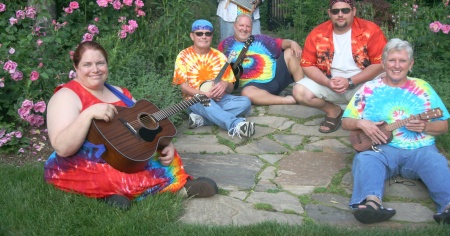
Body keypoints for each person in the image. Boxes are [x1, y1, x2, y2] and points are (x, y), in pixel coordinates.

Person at [44, 41, 218, 209]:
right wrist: (88, 114)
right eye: (87, 64)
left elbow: (145, 124)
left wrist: (165, 144)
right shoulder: (67, 95)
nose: (95, 69)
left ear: (107, 65)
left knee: (165, 158)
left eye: (100, 63)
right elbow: (62, 148)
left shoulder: (120, 92)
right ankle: (141, 192)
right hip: (86, 163)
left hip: (129, 155)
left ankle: (176, 187)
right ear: (76, 68)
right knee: (110, 174)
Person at [342, 38, 450, 224]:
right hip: (381, 150)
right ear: (383, 63)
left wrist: (426, 126)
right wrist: (362, 124)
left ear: (411, 64)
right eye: (392, 60)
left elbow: (444, 125)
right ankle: (372, 204)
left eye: (402, 61)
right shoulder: (369, 89)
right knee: (365, 159)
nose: (397, 66)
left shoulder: (423, 87)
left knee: (436, 162)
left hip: (420, 149)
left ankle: (448, 207)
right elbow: (345, 122)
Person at [293, 0, 388, 133]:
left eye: (345, 10)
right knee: (299, 91)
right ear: (329, 13)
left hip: (360, 83)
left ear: (353, 11)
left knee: (385, 81)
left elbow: (380, 63)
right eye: (335, 11)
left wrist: (350, 81)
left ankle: (359, 117)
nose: (340, 14)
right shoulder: (317, 33)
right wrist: (327, 82)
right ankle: (333, 111)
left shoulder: (370, 30)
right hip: (330, 83)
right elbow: (307, 65)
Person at [173, 19, 255, 138]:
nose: (204, 37)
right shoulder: (183, 56)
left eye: (208, 33)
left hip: (219, 100)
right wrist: (203, 94)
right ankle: (235, 124)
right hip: (195, 100)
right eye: (199, 33)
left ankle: (203, 120)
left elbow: (231, 88)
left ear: (211, 36)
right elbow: (184, 87)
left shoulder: (220, 56)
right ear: (192, 36)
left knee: (245, 102)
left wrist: (224, 84)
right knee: (204, 101)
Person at [218, 13, 304, 105]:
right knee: (246, 93)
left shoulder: (261, 39)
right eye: (241, 25)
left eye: (248, 26)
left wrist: (292, 43)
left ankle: (302, 91)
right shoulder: (225, 45)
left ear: (251, 28)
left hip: (277, 76)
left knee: (292, 52)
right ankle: (286, 100)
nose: (244, 29)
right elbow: (218, 67)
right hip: (255, 87)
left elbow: (281, 43)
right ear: (234, 26)